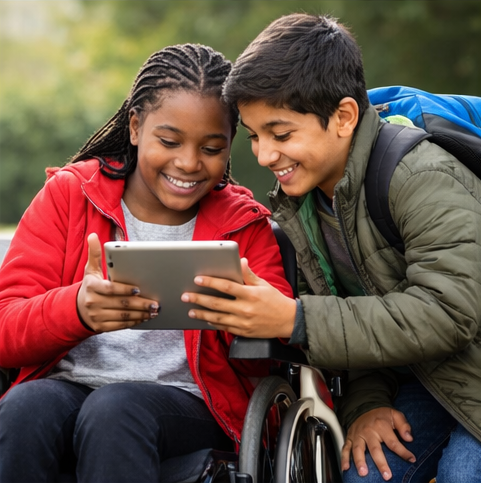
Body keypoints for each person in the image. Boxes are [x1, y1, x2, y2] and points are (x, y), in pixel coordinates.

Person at [180, 14, 481, 483]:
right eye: (254, 136)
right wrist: (368, 404)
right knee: (366, 472)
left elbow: (449, 313)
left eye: (281, 135)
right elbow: (356, 317)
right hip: (426, 376)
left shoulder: (420, 177)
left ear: (343, 117)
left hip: (471, 364)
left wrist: (294, 318)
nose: (263, 155)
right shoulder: (304, 205)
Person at [0, 43, 292, 482]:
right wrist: (76, 309)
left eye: (212, 148)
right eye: (169, 141)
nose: (189, 163)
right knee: (22, 409)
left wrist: (242, 316)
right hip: (69, 386)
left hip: (189, 403)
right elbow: (6, 329)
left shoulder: (243, 224)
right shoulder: (70, 196)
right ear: (136, 127)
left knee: (115, 409)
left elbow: (274, 349)